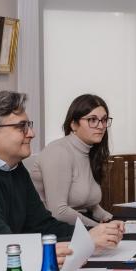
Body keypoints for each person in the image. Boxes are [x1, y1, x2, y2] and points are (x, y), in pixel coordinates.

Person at [0, 90, 122, 251]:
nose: (32, 133)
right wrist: (85, 239)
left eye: (29, 125)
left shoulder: (14, 167)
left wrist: (93, 234)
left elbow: (43, 225)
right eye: (22, 127)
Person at [28, 94, 121, 229]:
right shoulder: (59, 152)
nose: (101, 126)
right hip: (51, 229)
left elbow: (89, 205)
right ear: (73, 124)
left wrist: (110, 219)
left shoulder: (89, 151)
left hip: (76, 226)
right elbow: (59, 212)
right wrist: (98, 228)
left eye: (104, 120)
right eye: (92, 120)